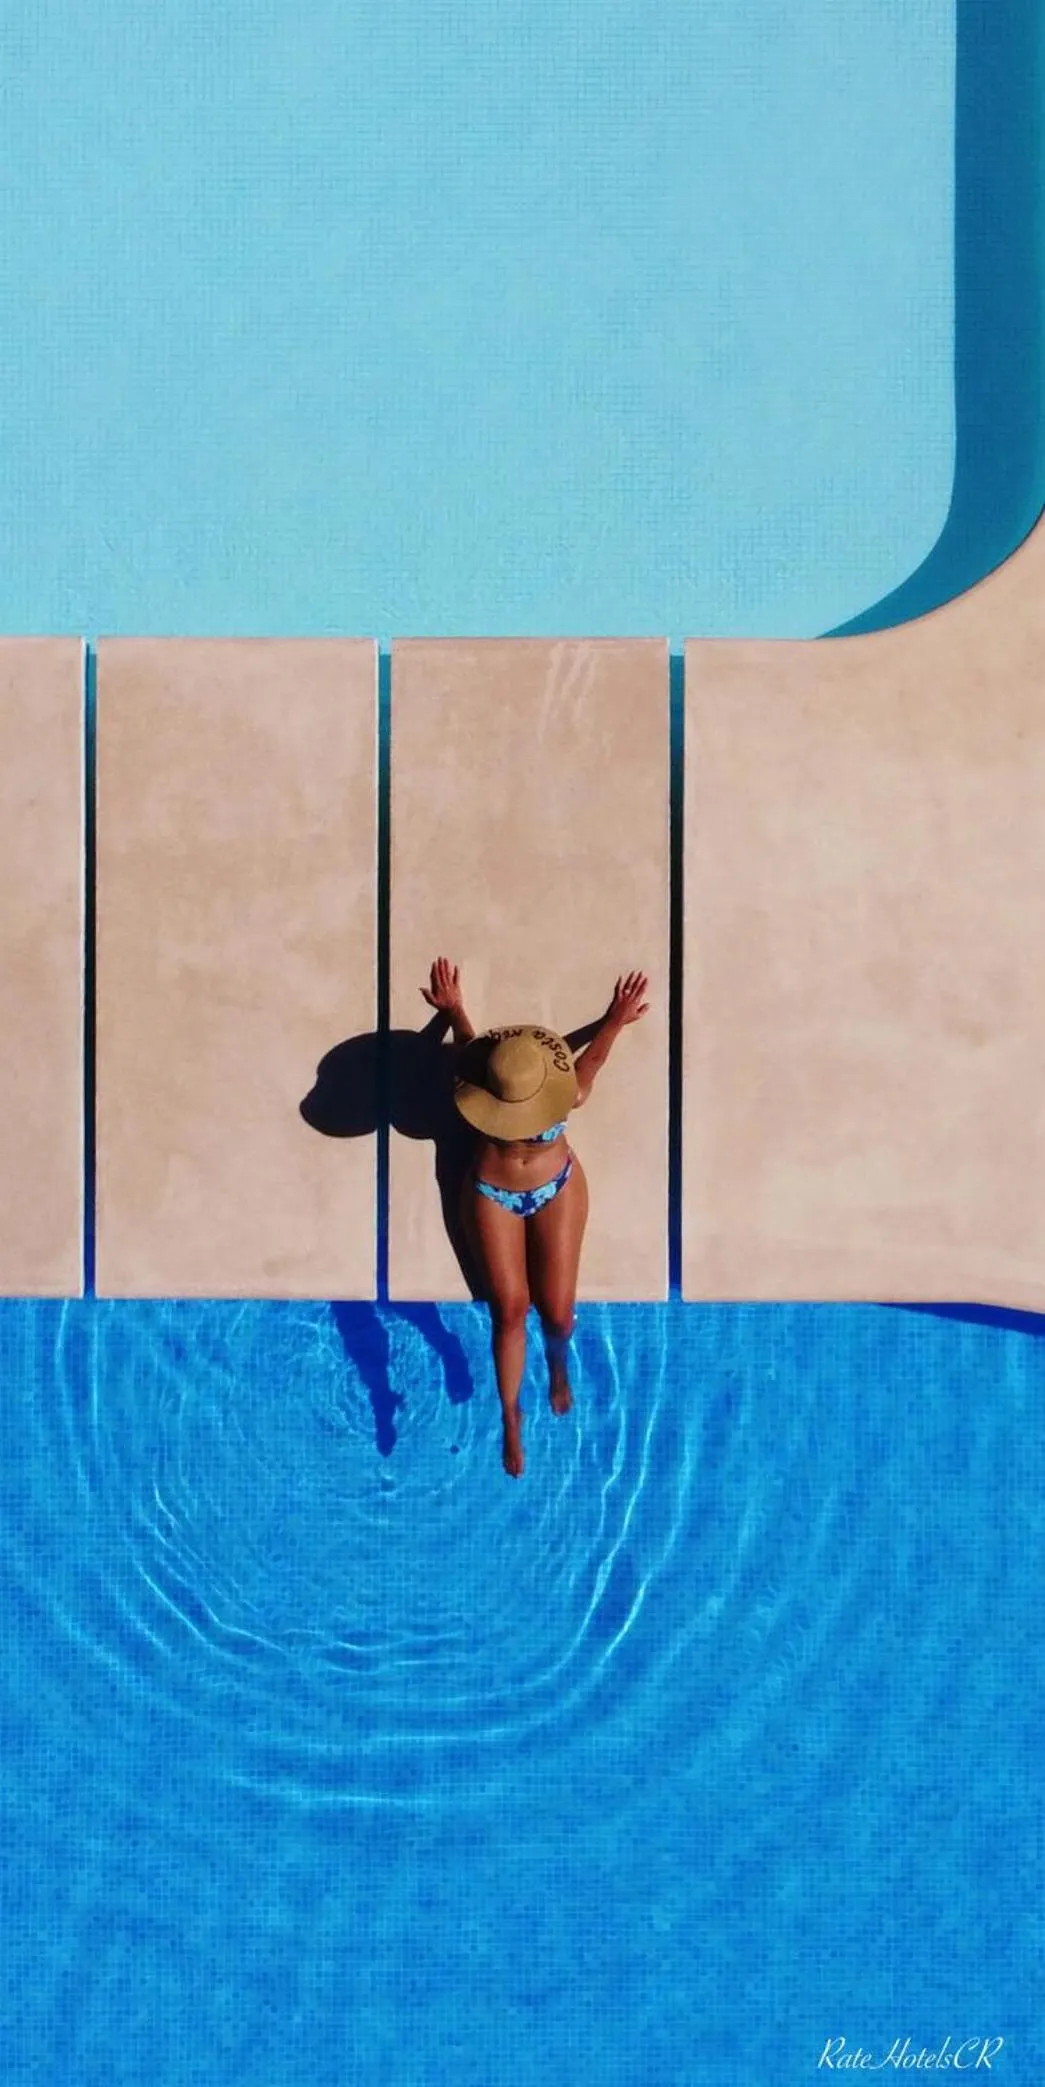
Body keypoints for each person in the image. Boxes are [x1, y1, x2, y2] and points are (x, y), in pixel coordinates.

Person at [419, 956, 650, 1477]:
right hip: (492, 1192)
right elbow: (471, 1047)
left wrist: (614, 1019)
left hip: (555, 1187)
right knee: (509, 1310)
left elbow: (591, 1059)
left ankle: (557, 1365)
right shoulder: (478, 1078)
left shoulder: (569, 1092)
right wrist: (453, 1009)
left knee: (559, 1312)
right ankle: (510, 1415)